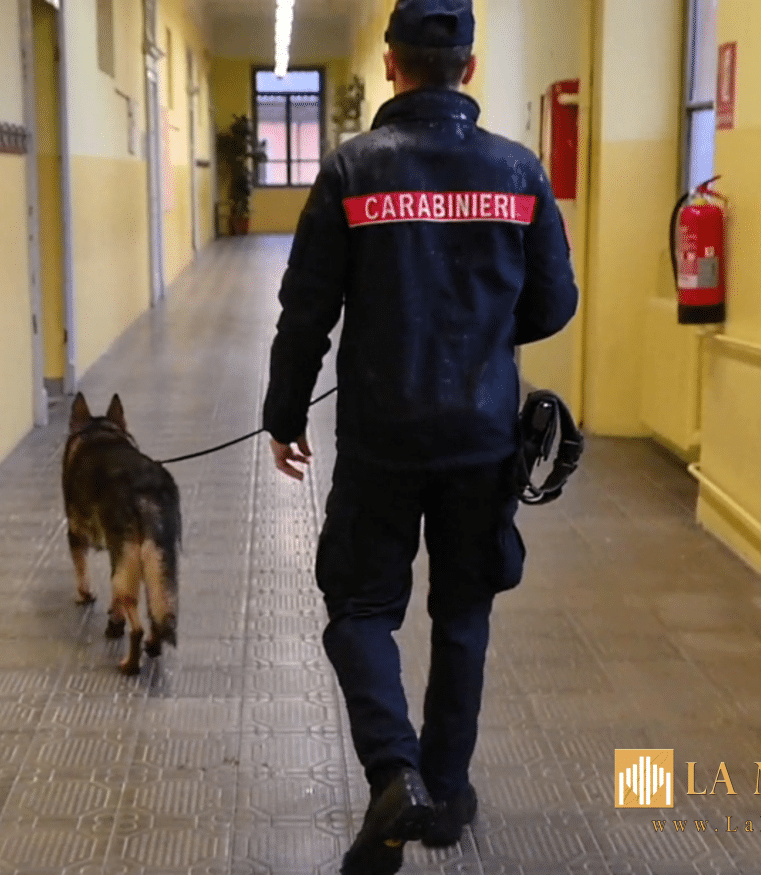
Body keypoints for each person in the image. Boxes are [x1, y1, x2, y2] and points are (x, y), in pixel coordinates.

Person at [261, 1, 579, 872]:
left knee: (360, 606)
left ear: (391, 66)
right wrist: (482, 329)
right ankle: (445, 791)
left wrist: (285, 414)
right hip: (482, 437)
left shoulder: (352, 169)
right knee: (463, 611)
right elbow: (553, 303)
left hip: (382, 437)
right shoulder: (518, 171)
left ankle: (394, 772)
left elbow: (306, 310)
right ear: (468, 69)